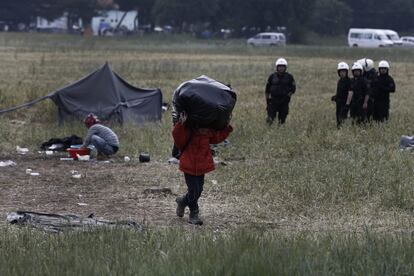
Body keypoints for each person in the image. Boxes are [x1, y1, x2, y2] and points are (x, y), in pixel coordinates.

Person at [172, 112, 233, 225]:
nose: (202, 130)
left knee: (198, 191)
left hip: (202, 166)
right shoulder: (188, 130)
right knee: (194, 190)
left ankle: (182, 201)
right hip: (188, 165)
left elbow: (217, 137)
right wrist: (181, 124)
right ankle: (194, 213)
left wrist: (227, 126)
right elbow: (177, 137)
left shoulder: (207, 131)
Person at [265, 58, 296, 125]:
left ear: (285, 67)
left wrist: (288, 96)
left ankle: (280, 131)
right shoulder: (272, 76)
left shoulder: (289, 77)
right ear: (277, 67)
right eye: (279, 67)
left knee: (282, 120)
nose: (281, 68)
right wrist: (268, 100)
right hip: (273, 100)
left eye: (282, 67)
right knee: (270, 119)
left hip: (284, 101)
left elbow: (293, 89)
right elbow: (267, 89)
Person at [331, 62, 352, 127]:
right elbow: (339, 92)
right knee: (338, 119)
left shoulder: (349, 81)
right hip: (339, 103)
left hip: (345, 104)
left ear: (346, 72)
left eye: (343, 71)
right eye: (340, 71)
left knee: (342, 119)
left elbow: (350, 93)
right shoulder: (340, 81)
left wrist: (347, 104)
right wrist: (335, 97)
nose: (342, 73)